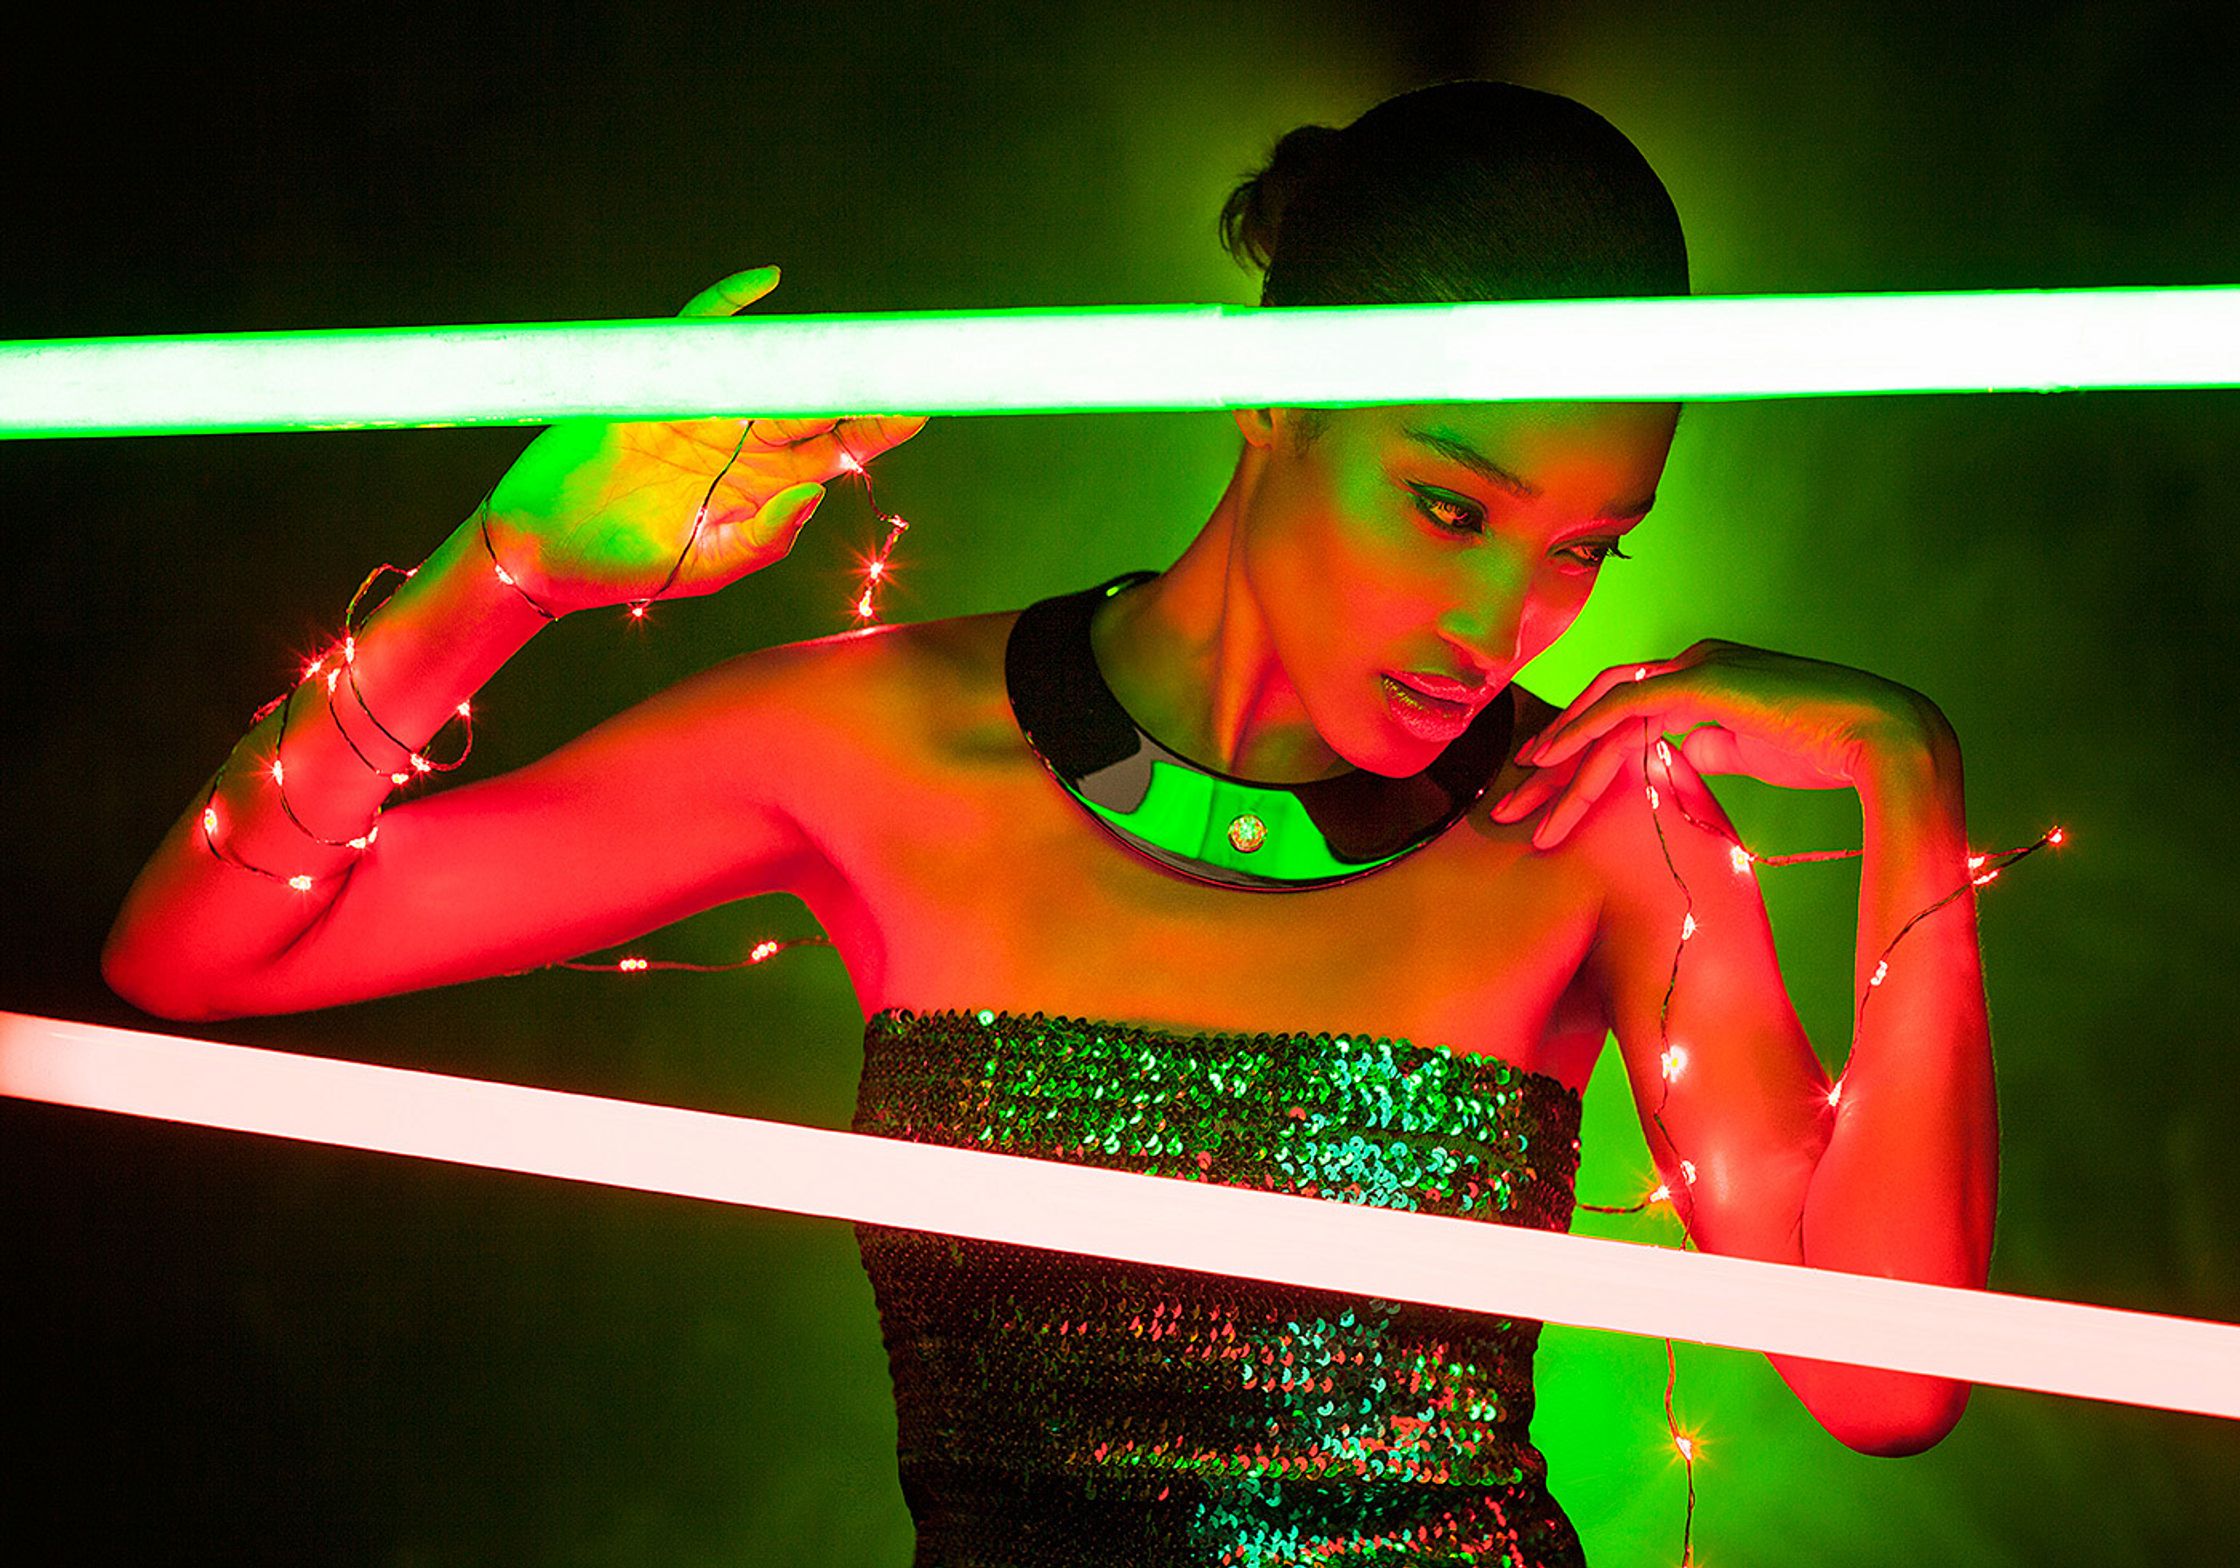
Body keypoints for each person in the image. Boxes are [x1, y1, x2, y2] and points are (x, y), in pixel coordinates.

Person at [101, 79, 1996, 1568]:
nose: (1507, 625)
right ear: (1267, 398)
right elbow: (194, 956)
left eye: (1581, 550)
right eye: (1446, 507)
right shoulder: (879, 746)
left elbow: (1888, 1381)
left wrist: (1913, 795)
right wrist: (506, 569)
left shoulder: (1596, 827)